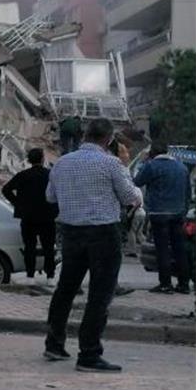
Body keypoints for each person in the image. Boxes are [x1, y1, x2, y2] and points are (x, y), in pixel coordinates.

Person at [43, 117, 143, 373]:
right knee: (99, 294)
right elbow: (131, 197)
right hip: (103, 233)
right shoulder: (111, 163)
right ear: (109, 139)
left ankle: (54, 344)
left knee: (66, 288)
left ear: (85, 135)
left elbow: (50, 196)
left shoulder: (62, 163)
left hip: (71, 232)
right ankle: (89, 353)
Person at [134, 142, 192, 294]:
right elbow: (187, 192)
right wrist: (183, 211)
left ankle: (165, 284)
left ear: (152, 154)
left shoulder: (152, 165)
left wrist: (144, 162)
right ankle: (184, 284)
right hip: (178, 213)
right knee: (179, 249)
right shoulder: (181, 167)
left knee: (162, 249)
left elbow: (137, 181)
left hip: (159, 213)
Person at [2, 148, 57, 284]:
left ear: (29, 160)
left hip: (28, 217)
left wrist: (18, 204)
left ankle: (30, 276)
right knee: (48, 247)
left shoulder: (23, 175)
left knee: (29, 247)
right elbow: (59, 193)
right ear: (43, 159)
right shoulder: (50, 175)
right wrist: (56, 208)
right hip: (47, 216)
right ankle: (50, 276)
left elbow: (6, 189)